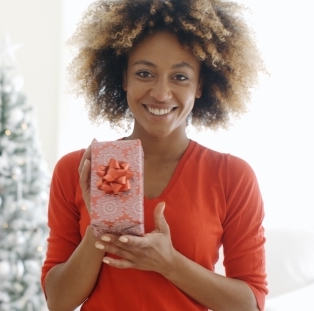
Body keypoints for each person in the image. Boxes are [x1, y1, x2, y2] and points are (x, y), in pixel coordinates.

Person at [41, 0, 268, 310]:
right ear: (123, 78)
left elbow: (250, 304)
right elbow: (59, 300)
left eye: (180, 77)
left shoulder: (232, 176)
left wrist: (170, 263)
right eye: (145, 73)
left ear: (200, 85)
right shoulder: (79, 168)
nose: (161, 93)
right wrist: (103, 226)